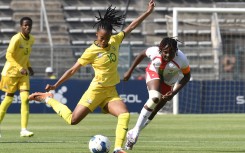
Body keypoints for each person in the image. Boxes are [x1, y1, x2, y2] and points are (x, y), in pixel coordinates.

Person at [28, 1, 155, 153]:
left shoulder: (115, 41)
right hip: (96, 91)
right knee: (72, 120)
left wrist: (148, 12)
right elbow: (72, 70)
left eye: (106, 38)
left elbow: (132, 26)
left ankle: (117, 149)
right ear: (97, 34)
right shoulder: (91, 51)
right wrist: (55, 85)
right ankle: (48, 98)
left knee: (124, 114)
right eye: (101, 38)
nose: (104, 41)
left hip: (110, 92)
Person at [123, 37, 191, 150]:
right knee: (155, 97)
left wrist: (174, 92)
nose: (168, 55)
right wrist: (130, 71)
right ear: (160, 50)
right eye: (165, 52)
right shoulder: (154, 51)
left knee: (153, 112)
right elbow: (142, 54)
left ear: (176, 51)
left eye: (172, 52)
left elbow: (187, 76)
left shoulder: (182, 59)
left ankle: (134, 132)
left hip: (169, 82)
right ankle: (135, 132)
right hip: (153, 73)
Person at [0, 17, 35, 137]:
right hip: (10, 73)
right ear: (21, 26)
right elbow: (8, 56)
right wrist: (20, 67)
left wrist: (29, 66)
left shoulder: (32, 40)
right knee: (8, 99)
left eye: (29, 25)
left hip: (23, 74)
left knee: (25, 99)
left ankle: (24, 129)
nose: (27, 27)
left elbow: (26, 56)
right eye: (25, 25)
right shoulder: (16, 39)